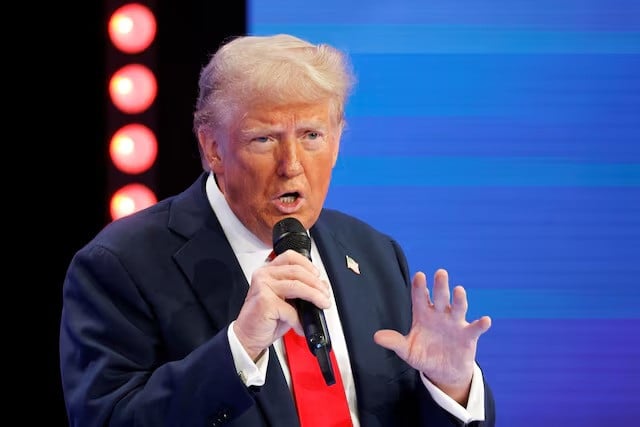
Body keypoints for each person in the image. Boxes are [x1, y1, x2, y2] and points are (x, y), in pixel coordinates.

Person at [59, 33, 496, 427]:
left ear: (339, 138)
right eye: (264, 139)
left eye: (311, 135)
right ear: (213, 146)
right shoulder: (122, 266)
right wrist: (239, 350)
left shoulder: (375, 255)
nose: (292, 166)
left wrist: (450, 388)